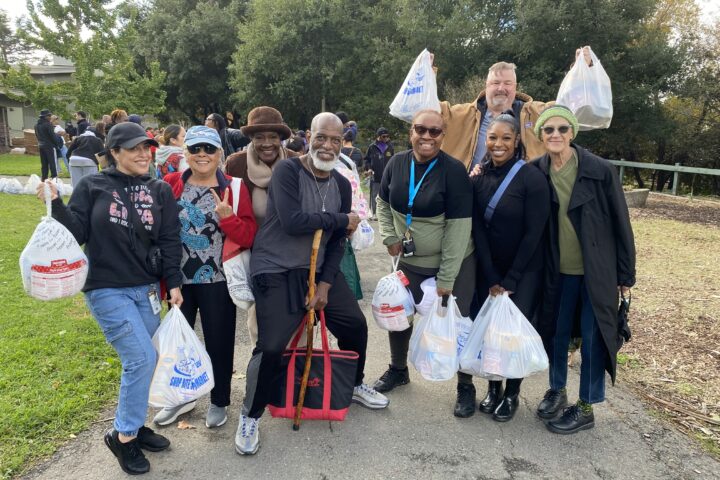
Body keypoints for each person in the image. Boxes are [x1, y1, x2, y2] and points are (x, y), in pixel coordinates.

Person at [234, 112, 388, 456]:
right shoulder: (289, 170)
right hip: (274, 268)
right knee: (272, 344)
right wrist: (342, 219)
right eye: (322, 137)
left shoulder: (342, 183)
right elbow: (292, 221)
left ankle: (355, 383)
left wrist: (325, 285)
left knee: (354, 324)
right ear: (309, 137)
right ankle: (250, 414)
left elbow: (337, 241)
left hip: (316, 270)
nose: (328, 145)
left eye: (336, 140)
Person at [36, 122, 183, 475]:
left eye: (147, 147)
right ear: (114, 152)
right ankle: (124, 437)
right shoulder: (93, 185)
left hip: (146, 288)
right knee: (140, 358)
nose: (143, 153)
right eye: (133, 148)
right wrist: (56, 204)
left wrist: (173, 282)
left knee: (149, 358)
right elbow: (78, 232)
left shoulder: (159, 188)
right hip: (106, 287)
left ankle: (134, 423)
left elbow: (169, 239)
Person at [530, 105, 636, 434]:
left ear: (572, 133)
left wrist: (625, 274)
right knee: (556, 333)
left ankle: (587, 406)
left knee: (593, 338)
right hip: (556, 270)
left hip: (596, 270)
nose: (556, 135)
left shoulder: (599, 170)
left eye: (562, 129)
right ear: (541, 136)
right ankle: (558, 390)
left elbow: (621, 222)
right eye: (549, 130)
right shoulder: (536, 171)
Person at [373, 109, 477, 418]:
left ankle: (465, 386)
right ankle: (398, 369)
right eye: (421, 129)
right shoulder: (396, 163)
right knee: (399, 315)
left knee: (458, 323)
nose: (427, 137)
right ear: (411, 132)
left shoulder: (454, 171)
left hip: (453, 264)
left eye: (435, 132)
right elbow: (381, 201)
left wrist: (447, 277)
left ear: (443, 136)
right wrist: (389, 235)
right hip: (409, 261)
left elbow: (459, 229)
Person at [156, 126, 257, 429]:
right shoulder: (170, 184)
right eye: (195, 148)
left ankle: (219, 400)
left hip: (218, 281)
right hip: (178, 283)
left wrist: (228, 217)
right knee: (178, 345)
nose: (202, 155)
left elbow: (250, 235)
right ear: (184, 153)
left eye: (209, 149)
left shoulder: (235, 189)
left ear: (219, 154)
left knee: (219, 342)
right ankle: (181, 398)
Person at [471, 111, 550, 422]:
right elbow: (477, 228)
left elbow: (535, 232)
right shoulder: (479, 178)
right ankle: (493, 387)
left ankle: (512, 392)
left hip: (523, 271)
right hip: (488, 269)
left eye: (506, 138)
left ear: (517, 140)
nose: (498, 143)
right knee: (491, 330)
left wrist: (511, 277)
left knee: (511, 334)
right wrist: (491, 275)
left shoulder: (532, 178)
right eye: (493, 137)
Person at [433, 49, 594, 170]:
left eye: (507, 83)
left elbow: (570, 106)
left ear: (515, 87)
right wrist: (426, 74)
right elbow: (427, 111)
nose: (501, 88)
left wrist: (581, 70)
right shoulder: (460, 114)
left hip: (522, 198)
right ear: (486, 86)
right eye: (495, 83)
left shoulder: (537, 113)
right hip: (471, 191)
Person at [225, 106, 293, 225]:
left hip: (289, 240)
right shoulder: (235, 164)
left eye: (273, 137)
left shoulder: (295, 162)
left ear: (280, 138)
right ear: (251, 138)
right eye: (259, 137)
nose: (267, 144)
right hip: (249, 240)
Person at [364, 127, 394, 219]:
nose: (386, 138)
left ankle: (385, 214)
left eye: (387, 136)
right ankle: (374, 213)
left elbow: (393, 160)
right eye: (384, 136)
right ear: (379, 136)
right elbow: (367, 160)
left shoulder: (390, 146)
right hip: (375, 175)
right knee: (374, 195)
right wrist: (368, 169)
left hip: (388, 176)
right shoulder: (372, 147)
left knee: (387, 195)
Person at [34, 109, 62, 181]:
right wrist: (57, 144)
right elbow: (52, 136)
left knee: (44, 164)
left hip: (41, 145)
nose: (50, 117)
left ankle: (44, 179)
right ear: (45, 116)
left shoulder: (36, 125)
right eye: (49, 115)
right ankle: (54, 179)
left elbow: (37, 136)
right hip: (49, 146)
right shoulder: (48, 124)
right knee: (52, 163)